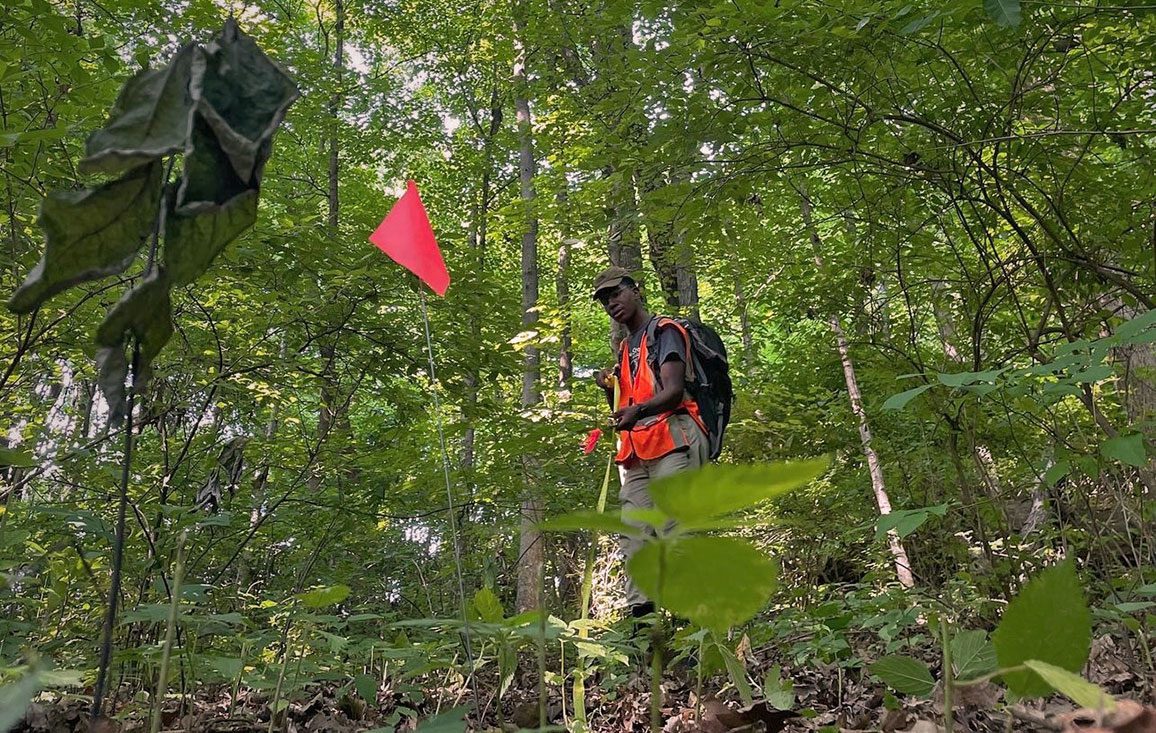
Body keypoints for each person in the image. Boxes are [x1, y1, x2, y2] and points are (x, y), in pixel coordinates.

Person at [591, 266, 710, 620]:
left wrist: (636, 409)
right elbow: (627, 407)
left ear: (635, 290)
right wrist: (610, 392)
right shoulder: (626, 348)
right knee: (634, 532)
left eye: (616, 293)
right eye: (604, 300)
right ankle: (644, 624)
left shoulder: (665, 332)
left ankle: (694, 626)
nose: (611, 303)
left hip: (673, 438)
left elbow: (673, 392)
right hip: (637, 452)